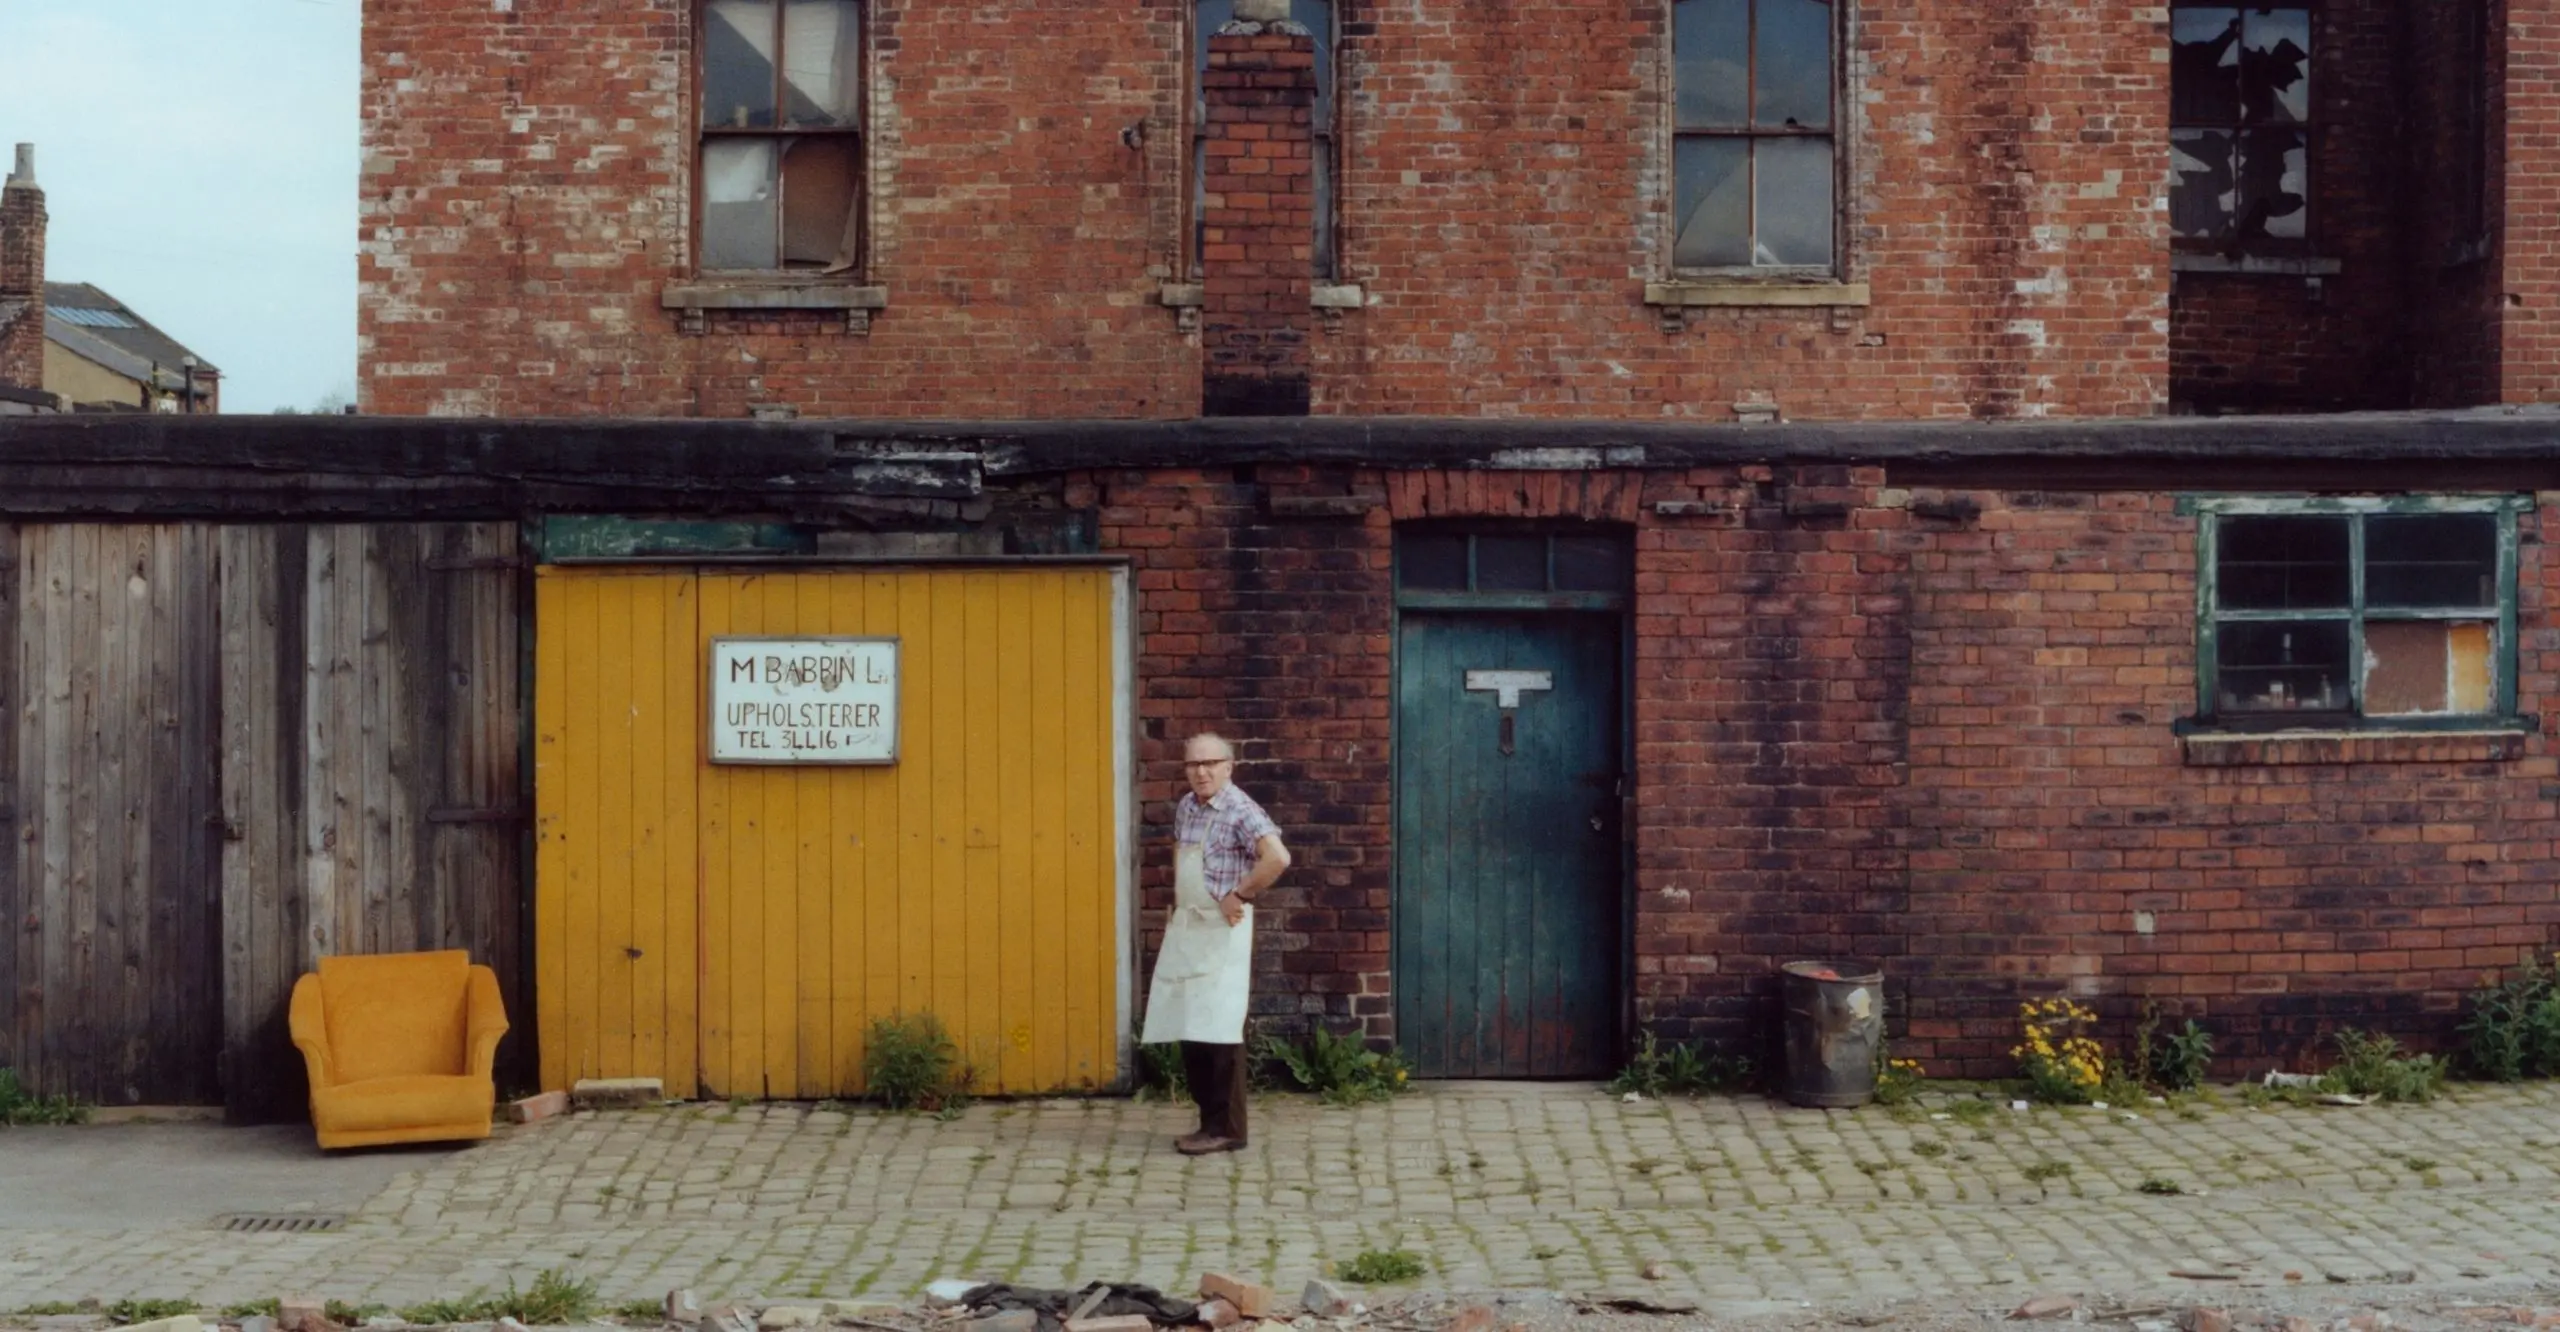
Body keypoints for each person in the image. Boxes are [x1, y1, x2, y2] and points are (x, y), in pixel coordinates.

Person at [1138, 731, 1289, 1154]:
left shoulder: (1240, 809)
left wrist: (1238, 894)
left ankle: (1229, 1129)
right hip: (1190, 926)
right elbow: (1182, 857)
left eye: (1210, 763)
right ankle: (1209, 1122)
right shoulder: (1188, 806)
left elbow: (1277, 857)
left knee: (1219, 1030)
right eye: (1193, 764)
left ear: (1228, 766)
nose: (1201, 772)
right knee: (1192, 1027)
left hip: (1223, 931)